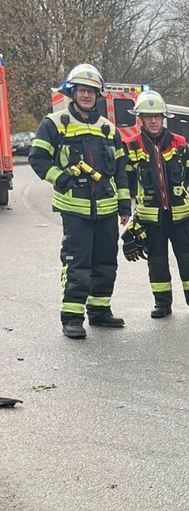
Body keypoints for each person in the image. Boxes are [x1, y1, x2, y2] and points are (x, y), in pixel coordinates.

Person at [29, 64, 131, 339]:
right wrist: (61, 179)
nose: (86, 95)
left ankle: (99, 312)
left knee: (106, 264)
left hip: (108, 210)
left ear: (98, 95)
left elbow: (120, 170)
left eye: (91, 91)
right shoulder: (54, 123)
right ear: (73, 92)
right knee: (77, 265)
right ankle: (72, 318)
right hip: (75, 211)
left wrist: (124, 205)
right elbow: (38, 158)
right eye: (82, 90)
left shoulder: (109, 129)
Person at [123, 90, 189, 319]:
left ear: (164, 118)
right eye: (148, 116)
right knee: (157, 262)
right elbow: (128, 180)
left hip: (180, 216)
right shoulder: (131, 145)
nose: (153, 121)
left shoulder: (179, 143)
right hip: (151, 218)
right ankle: (162, 304)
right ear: (140, 118)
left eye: (157, 116)